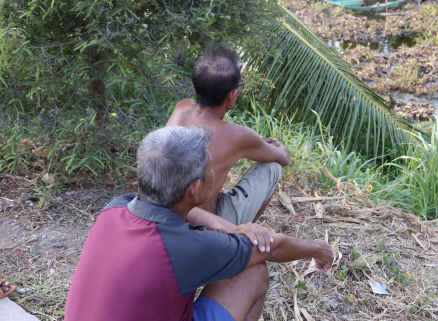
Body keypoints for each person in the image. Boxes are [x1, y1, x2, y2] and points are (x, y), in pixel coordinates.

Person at [65, 126, 333, 321]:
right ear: (194, 188)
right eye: (210, 169)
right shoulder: (182, 248)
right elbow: (270, 249)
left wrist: (232, 227)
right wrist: (318, 248)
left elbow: (190, 214)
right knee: (252, 273)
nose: (214, 174)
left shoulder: (114, 209)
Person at [167, 45, 288, 234]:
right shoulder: (238, 135)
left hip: (169, 217)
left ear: (194, 87)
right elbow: (283, 158)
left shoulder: (182, 107)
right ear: (232, 95)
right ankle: (239, 240)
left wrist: (253, 144)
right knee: (273, 167)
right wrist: (275, 145)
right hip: (205, 227)